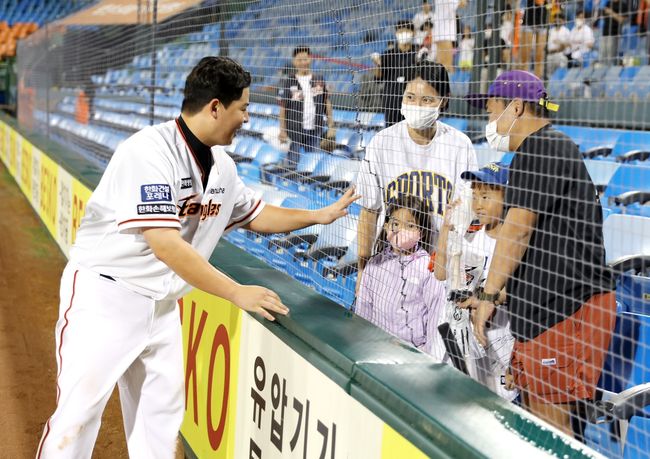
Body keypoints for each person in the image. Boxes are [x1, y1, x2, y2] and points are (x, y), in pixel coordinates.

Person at [36, 57, 359, 458]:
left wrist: (317, 216)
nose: (246, 118)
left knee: (160, 422)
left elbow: (255, 215)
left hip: (163, 306)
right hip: (107, 297)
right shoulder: (149, 151)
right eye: (242, 108)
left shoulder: (222, 166)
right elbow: (166, 244)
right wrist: (235, 292)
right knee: (77, 417)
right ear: (215, 107)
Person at [464, 70, 616, 437]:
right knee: (538, 421)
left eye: (491, 110)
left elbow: (517, 231)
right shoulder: (542, 149)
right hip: (549, 310)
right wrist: (502, 292)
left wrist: (487, 295)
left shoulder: (543, 146)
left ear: (515, 107)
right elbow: (545, 243)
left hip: (568, 310)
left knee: (554, 430)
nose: (489, 121)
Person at [356, 62, 477, 292]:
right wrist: (363, 270)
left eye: (427, 100)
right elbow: (369, 211)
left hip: (439, 273)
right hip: (391, 267)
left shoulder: (460, 145)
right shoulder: (382, 143)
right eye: (410, 97)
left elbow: (465, 214)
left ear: (444, 100)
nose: (417, 105)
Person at [432, 162, 517, 402]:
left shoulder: (515, 245)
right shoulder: (469, 236)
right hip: (457, 341)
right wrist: (447, 229)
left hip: (497, 344)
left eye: (486, 195)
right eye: (475, 194)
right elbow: (440, 274)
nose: (478, 203)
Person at [356, 195, 445, 351]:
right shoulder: (375, 263)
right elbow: (364, 308)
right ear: (386, 226)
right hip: (375, 346)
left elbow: (435, 315)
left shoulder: (427, 268)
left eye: (410, 226)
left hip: (412, 352)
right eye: (395, 223)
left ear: (421, 232)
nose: (401, 231)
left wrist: (427, 356)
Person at [278, 46, 336, 168]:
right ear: (294, 61)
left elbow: (326, 103)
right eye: (299, 60)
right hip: (294, 131)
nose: (303, 62)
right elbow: (283, 108)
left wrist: (331, 126)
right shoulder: (289, 82)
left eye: (305, 59)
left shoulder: (319, 80)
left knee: (314, 164)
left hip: (315, 130)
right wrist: (282, 130)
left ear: (310, 59)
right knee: (292, 165)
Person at [379, 20, 418, 127]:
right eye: (400, 31)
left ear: (413, 32)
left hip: (413, 103)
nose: (402, 34)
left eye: (406, 30)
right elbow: (378, 79)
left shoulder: (418, 53)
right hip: (391, 102)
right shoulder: (387, 55)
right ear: (396, 34)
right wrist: (378, 65)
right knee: (391, 135)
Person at [433, 0, 466, 74]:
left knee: (441, 64)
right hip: (445, 32)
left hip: (440, 31)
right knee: (447, 65)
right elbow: (463, 3)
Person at [517, 0, 549, 78]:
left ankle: (537, 84)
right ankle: (522, 81)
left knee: (539, 57)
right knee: (524, 57)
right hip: (528, 21)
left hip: (542, 21)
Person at [600, 0, 628, 65]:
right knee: (603, 55)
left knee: (611, 56)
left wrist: (611, 12)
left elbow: (621, 20)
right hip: (605, 33)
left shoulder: (623, 5)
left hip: (614, 33)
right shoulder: (608, 3)